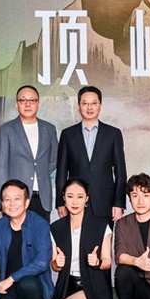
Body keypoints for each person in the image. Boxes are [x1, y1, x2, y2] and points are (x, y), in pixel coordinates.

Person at [49, 178, 114, 299]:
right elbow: (54, 266)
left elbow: (108, 262)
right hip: (68, 284)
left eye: (80, 196)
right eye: (70, 196)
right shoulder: (56, 228)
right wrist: (57, 263)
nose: (75, 202)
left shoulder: (101, 225)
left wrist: (97, 262)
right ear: (64, 198)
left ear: (87, 198)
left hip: (93, 283)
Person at [55, 86, 126, 222]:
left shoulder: (113, 134)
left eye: (94, 103)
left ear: (100, 105)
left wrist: (119, 202)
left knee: (104, 236)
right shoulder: (68, 134)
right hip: (75, 202)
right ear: (79, 106)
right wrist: (60, 201)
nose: (89, 107)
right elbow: (62, 172)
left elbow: (120, 171)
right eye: (85, 103)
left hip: (105, 201)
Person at [0, 85, 58, 220]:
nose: (27, 104)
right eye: (23, 100)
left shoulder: (49, 129)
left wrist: (40, 171)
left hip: (42, 197)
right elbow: (1, 167)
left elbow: (54, 159)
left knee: (41, 232)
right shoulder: (6, 130)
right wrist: (4, 198)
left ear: (38, 104)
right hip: (15, 199)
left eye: (32, 100)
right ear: (17, 104)